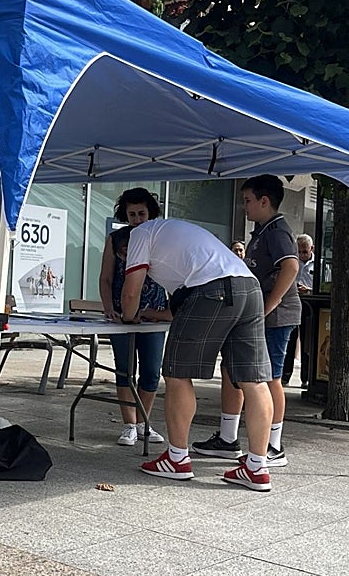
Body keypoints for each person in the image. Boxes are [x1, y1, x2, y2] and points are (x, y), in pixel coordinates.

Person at [120, 217, 274, 490]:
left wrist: (127, 318)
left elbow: (132, 292)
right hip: (249, 289)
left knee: (177, 373)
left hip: (212, 289)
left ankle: (177, 458)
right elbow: (182, 303)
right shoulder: (176, 235)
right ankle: (257, 467)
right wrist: (154, 314)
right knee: (254, 379)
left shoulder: (138, 235)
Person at [194, 175, 299, 468]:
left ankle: (273, 445)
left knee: (269, 377)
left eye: (248, 201)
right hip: (253, 314)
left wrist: (268, 305)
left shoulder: (277, 231)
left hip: (275, 317)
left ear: (265, 201)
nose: (244, 207)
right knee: (234, 371)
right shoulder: (261, 231)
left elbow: (291, 266)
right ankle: (228, 438)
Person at [98, 188, 169, 447]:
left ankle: (142, 422)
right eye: (132, 214)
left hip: (154, 315)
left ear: (150, 212)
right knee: (124, 369)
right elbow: (106, 277)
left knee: (151, 371)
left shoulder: (161, 237)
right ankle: (129, 423)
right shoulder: (115, 239)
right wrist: (108, 307)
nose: (137, 219)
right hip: (121, 315)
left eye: (141, 213)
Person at [281, 234, 315, 387]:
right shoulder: (293, 263)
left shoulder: (320, 264)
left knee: (308, 341)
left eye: (304, 252)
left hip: (310, 305)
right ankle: (285, 375)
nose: (301, 255)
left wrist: (309, 290)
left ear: (311, 249)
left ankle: (306, 377)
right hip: (294, 303)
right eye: (299, 252)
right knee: (290, 340)